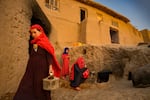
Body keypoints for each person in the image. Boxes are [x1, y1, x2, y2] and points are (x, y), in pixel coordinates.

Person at [13, 24, 61, 100]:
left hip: (42, 69)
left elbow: (49, 56)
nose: (33, 35)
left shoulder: (45, 42)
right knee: (26, 84)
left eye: (34, 32)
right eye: (31, 33)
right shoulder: (33, 43)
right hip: (31, 69)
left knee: (40, 86)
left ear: (40, 32)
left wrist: (50, 67)